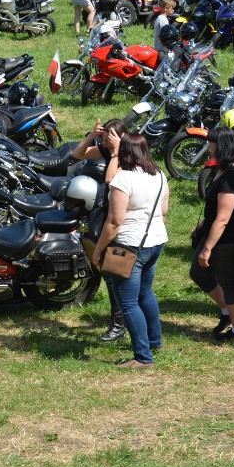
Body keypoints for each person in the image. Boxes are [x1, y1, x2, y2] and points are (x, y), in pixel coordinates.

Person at [92, 133, 169, 368]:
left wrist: (98, 250)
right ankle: (155, 342)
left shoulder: (123, 179)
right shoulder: (159, 174)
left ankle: (143, 357)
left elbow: (114, 221)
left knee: (127, 303)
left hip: (129, 245)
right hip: (155, 241)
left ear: (124, 152)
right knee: (145, 293)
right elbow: (163, 211)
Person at [189, 127, 234, 342]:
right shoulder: (221, 170)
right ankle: (227, 313)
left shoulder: (232, 175)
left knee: (228, 282)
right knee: (198, 272)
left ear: (221, 145)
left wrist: (207, 248)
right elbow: (216, 209)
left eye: (211, 143)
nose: (209, 147)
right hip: (214, 232)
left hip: (227, 238)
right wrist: (203, 224)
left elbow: (224, 217)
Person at [72, 118, 125, 342]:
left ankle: (119, 324)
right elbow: (78, 154)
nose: (104, 143)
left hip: (120, 222)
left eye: (107, 139)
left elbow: (111, 178)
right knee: (111, 275)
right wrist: (92, 136)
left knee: (115, 275)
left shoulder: (127, 155)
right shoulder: (107, 150)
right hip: (107, 215)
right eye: (103, 139)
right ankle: (120, 322)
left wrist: (116, 151)